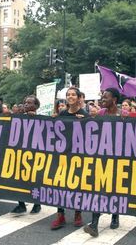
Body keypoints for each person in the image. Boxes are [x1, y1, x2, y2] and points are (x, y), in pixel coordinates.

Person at [83, 88, 127, 237]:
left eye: (105, 97)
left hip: (118, 158)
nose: (102, 100)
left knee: (114, 188)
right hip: (102, 157)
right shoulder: (101, 113)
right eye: (102, 97)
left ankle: (115, 215)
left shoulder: (124, 115)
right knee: (99, 189)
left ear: (114, 99)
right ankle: (94, 224)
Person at [51, 87, 88, 230]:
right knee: (60, 184)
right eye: (68, 94)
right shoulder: (62, 113)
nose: (70, 96)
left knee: (77, 184)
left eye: (73, 94)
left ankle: (78, 214)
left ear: (79, 98)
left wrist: (85, 121)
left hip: (78, 156)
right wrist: (53, 120)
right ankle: (60, 214)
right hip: (63, 155)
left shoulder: (84, 114)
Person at [9, 95, 42, 215]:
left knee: (35, 180)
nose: (26, 105)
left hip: (35, 155)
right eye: (25, 103)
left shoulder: (43, 118)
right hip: (20, 154)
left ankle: (36, 204)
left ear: (36, 106)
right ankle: (21, 204)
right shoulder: (18, 118)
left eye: (29, 103)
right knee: (19, 180)